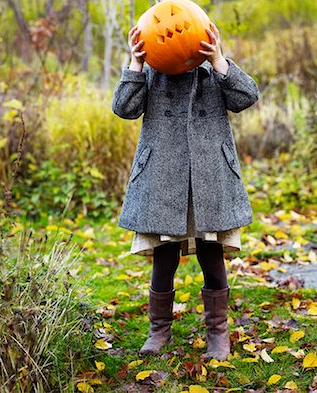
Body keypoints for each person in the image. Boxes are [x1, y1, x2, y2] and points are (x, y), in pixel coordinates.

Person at [111, 19, 261, 361]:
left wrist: (220, 60)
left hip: (208, 175)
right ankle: (158, 330)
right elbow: (124, 108)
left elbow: (247, 96)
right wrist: (136, 63)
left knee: (212, 253)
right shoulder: (153, 69)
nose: (173, 34)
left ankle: (218, 332)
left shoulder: (211, 70)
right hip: (164, 177)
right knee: (165, 258)